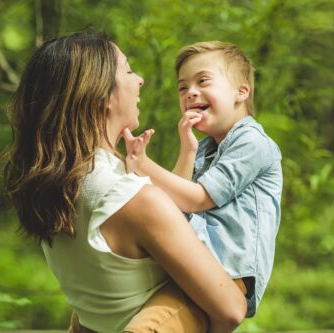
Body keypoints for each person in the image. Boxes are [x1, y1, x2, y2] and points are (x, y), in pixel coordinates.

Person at [0, 32, 246, 333]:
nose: (139, 80)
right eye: (128, 70)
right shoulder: (131, 198)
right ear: (101, 95)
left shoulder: (54, 187)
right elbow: (231, 310)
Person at [124, 41, 283, 317]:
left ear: (241, 92)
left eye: (203, 81)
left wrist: (144, 165)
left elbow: (198, 199)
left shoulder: (252, 141)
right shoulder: (208, 148)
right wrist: (188, 150)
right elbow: (175, 207)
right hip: (198, 265)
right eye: (183, 87)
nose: (190, 92)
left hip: (228, 274)